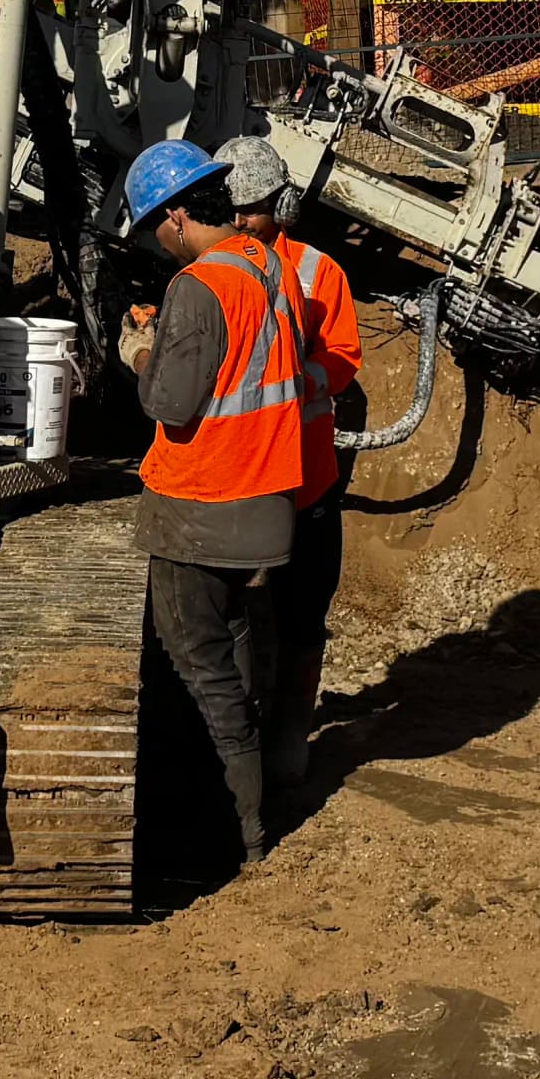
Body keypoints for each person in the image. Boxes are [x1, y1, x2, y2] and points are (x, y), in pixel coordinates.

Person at [115, 137, 307, 863]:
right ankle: (253, 801)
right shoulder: (269, 266)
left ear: (174, 218)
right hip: (263, 501)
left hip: (202, 505)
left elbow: (171, 404)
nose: (160, 248)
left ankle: (242, 833)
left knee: (197, 661)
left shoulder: (197, 286)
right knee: (236, 645)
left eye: (154, 233)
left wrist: (141, 351)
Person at [217, 134, 357, 818]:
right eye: (233, 209)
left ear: (284, 203)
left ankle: (291, 730)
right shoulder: (216, 269)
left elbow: (345, 356)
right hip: (243, 475)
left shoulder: (316, 272)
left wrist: (296, 376)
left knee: (303, 614)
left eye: (253, 209)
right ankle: (244, 738)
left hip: (305, 476)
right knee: (244, 619)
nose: (242, 221)